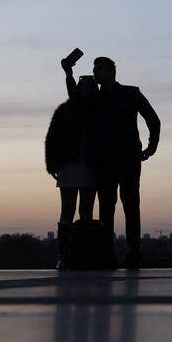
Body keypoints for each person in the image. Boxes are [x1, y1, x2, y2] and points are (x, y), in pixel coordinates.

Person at [88, 56, 161, 270]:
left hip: (127, 159)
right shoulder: (95, 98)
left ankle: (133, 252)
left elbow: (153, 120)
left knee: (129, 206)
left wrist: (151, 147)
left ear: (111, 71)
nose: (95, 73)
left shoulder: (130, 93)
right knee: (108, 209)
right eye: (94, 69)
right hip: (106, 161)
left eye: (99, 69)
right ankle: (108, 253)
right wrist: (69, 76)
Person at [47, 72, 100, 269]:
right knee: (68, 210)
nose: (86, 91)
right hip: (70, 165)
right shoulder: (68, 111)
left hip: (89, 165)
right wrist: (53, 163)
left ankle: (79, 254)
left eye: (89, 87)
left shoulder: (98, 111)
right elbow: (52, 137)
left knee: (85, 211)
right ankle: (64, 255)